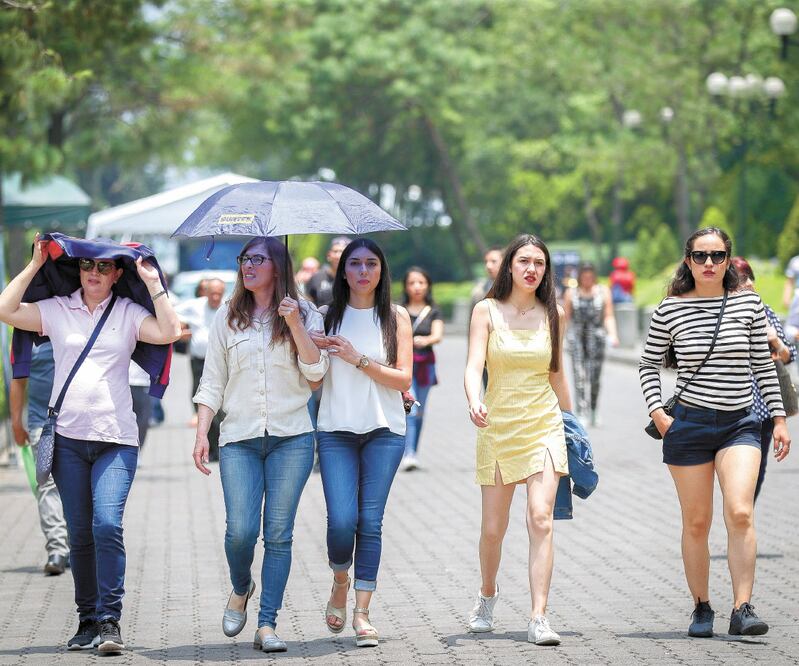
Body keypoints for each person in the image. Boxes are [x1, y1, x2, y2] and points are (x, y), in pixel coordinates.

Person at [0, 234, 181, 654]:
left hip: (116, 439)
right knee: (80, 534)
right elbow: (6, 309)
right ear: (77, 270)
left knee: (107, 525)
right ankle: (87, 620)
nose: (93, 273)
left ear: (117, 273)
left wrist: (152, 281)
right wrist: (34, 264)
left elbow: (170, 330)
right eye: (87, 266)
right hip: (67, 441)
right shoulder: (56, 311)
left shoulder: (130, 312)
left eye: (103, 267)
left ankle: (110, 620)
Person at [639, 227, 790, 639]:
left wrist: (778, 419)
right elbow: (648, 365)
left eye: (718, 256)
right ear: (688, 260)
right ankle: (702, 606)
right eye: (701, 256)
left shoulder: (748, 304)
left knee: (740, 511)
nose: (710, 264)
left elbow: (764, 366)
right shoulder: (669, 309)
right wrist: (659, 412)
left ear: (729, 259)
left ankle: (743, 608)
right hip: (688, 425)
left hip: (739, 422)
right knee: (697, 522)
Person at [192, 237, 328, 654]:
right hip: (239, 439)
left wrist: (295, 325)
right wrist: (202, 432)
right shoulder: (227, 317)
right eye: (243, 259)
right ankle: (241, 586)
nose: (247, 266)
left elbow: (317, 375)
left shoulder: (306, 313)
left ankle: (267, 623)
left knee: (279, 535)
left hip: (292, 438)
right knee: (240, 532)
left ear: (277, 266)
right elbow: (212, 379)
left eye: (257, 259)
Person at [463, 234, 572, 646]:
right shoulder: (485, 311)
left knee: (541, 518)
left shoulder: (555, 313)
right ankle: (487, 594)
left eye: (539, 263)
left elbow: (557, 374)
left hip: (544, 422)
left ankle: (538, 616)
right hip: (498, 424)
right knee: (493, 528)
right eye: (524, 261)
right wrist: (474, 400)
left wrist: (572, 420)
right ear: (509, 265)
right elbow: (474, 365)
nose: (531, 269)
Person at [309, 238, 412, 648]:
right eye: (355, 264)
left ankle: (363, 613)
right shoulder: (325, 316)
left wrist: (357, 358)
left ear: (382, 271)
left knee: (370, 522)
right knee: (340, 521)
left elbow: (404, 378)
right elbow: (312, 377)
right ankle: (339, 580)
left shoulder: (396, 316)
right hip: (336, 430)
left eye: (372, 264)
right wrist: (302, 335)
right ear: (343, 271)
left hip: (385, 430)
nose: (364, 271)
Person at [730, 256, 796, 502]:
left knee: (758, 468)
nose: (745, 284)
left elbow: (789, 356)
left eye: (748, 278)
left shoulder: (765, 312)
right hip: (734, 405)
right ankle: (738, 514)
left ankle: (744, 515)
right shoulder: (723, 314)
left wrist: (774, 338)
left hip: (765, 405)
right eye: (738, 280)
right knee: (736, 469)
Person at [9, 340, 69, 575]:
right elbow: (18, 380)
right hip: (41, 425)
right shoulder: (24, 338)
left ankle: (78, 546)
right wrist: (16, 423)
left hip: (79, 424)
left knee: (77, 482)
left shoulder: (74, 322)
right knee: (47, 484)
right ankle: (57, 549)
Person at [563, 263, 618, 425]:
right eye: (584, 276)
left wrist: (613, 334)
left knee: (594, 377)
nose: (587, 280)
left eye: (590, 276)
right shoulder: (571, 293)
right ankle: (581, 411)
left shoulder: (603, 291)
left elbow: (608, 315)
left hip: (597, 338)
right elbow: (566, 318)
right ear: (580, 277)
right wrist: (560, 338)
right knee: (579, 376)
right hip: (577, 338)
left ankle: (594, 409)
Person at [400, 266, 443, 471]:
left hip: (426, 365)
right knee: (411, 408)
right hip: (404, 365)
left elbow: (437, 335)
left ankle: (413, 452)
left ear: (428, 285)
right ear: (406, 286)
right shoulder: (399, 309)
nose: (417, 287)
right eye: (412, 283)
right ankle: (408, 453)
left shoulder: (433, 310)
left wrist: (423, 339)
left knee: (420, 411)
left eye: (421, 282)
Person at [176, 278, 226, 451]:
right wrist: (179, 331)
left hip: (221, 361)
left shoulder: (227, 307)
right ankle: (210, 445)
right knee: (201, 399)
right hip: (199, 360)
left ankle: (219, 444)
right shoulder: (195, 306)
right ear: (206, 293)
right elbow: (173, 313)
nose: (215, 297)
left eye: (219, 294)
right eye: (212, 294)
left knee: (220, 403)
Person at [306, 236, 351, 307]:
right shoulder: (317, 277)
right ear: (328, 255)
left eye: (343, 252)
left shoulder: (354, 279)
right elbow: (309, 303)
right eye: (335, 251)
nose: (338, 255)